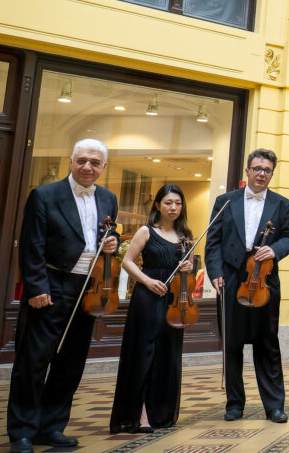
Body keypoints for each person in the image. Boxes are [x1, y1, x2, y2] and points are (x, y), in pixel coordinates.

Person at [7, 139, 120, 453]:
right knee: (33, 361)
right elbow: (31, 245)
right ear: (71, 161)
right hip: (51, 284)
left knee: (71, 362)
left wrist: (112, 242)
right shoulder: (44, 195)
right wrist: (36, 288)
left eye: (94, 162)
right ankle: (22, 432)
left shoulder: (109, 198)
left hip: (87, 289)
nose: (87, 167)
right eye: (82, 160)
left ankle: (51, 427)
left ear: (103, 167)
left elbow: (107, 235)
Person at [204, 148, 289, 424]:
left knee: (267, 344)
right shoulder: (225, 201)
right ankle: (235, 404)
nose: (261, 174)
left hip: (264, 279)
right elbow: (213, 241)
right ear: (247, 171)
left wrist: (275, 250)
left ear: (272, 174)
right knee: (232, 343)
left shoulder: (282, 204)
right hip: (232, 278)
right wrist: (215, 272)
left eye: (267, 170)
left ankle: (274, 406)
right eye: (257, 168)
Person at [109, 184, 195, 433]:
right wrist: (147, 281)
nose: (173, 207)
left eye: (178, 203)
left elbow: (189, 266)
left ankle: (160, 412)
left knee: (166, 354)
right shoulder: (146, 231)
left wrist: (189, 266)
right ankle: (140, 414)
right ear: (158, 205)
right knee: (145, 352)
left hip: (174, 300)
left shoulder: (185, 235)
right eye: (168, 202)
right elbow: (127, 262)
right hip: (148, 296)